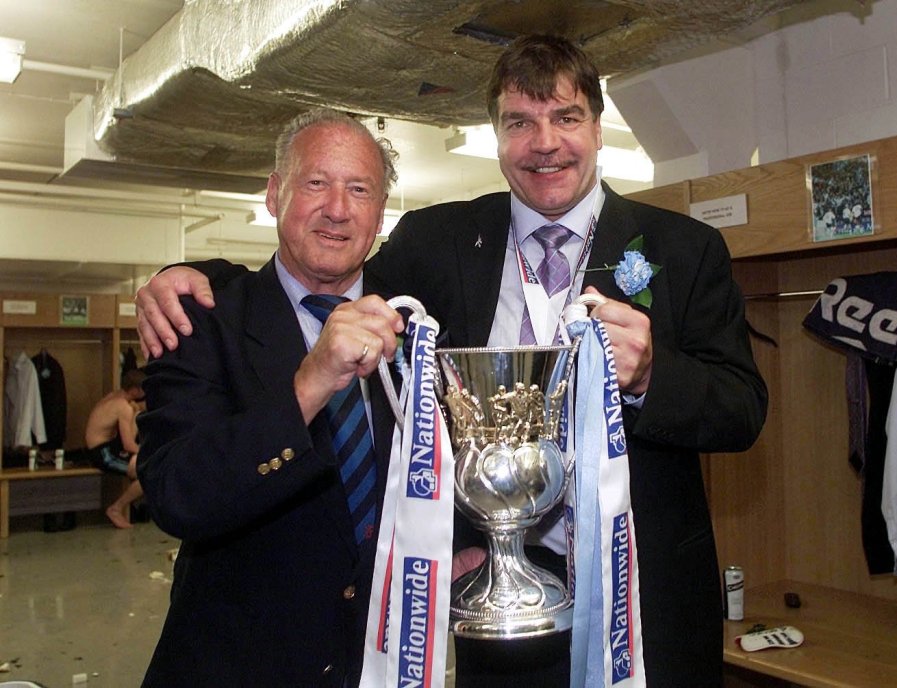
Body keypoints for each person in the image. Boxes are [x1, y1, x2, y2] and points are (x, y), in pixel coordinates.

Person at [136, 34, 768, 688]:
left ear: (599, 130)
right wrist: (185, 274)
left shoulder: (684, 249)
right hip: (482, 611)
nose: (544, 142)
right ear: (496, 137)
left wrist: (651, 375)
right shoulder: (437, 245)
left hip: (642, 608)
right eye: (520, 122)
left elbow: (742, 409)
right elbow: (324, 272)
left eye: (567, 117)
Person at [134, 108, 408, 687]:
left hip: (379, 664)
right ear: (274, 195)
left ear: (380, 214)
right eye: (316, 183)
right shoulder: (201, 319)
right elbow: (176, 493)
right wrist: (309, 384)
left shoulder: (415, 324)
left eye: (359, 189)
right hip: (237, 665)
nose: (337, 208)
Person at [84, 367, 146, 529]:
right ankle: (116, 508)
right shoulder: (123, 407)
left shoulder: (116, 396)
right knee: (146, 473)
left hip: (104, 448)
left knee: (144, 464)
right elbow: (128, 444)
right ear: (134, 390)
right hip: (102, 453)